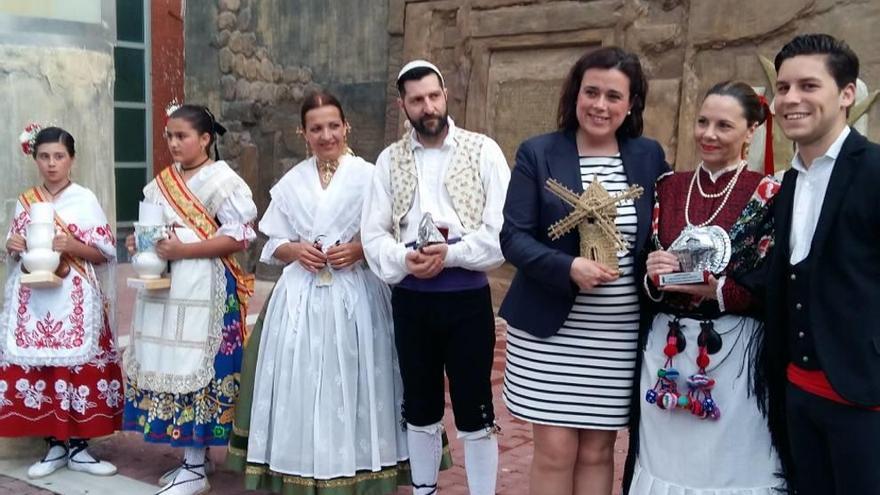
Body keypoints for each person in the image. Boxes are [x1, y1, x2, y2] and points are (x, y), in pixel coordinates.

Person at [499, 47, 668, 495]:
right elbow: (513, 238)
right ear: (575, 94)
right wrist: (567, 265)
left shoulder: (649, 157)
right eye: (591, 91)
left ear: (631, 104)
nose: (600, 104)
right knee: (555, 452)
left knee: (598, 452)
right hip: (550, 332)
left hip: (619, 336)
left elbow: (661, 231)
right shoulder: (539, 153)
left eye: (614, 96)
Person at [226, 91, 410, 493]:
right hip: (301, 297)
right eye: (316, 128)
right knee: (303, 377)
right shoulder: (292, 182)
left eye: (333, 126)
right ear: (303, 133)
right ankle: (300, 465)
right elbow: (272, 243)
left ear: (347, 127)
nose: (326, 135)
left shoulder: (371, 176)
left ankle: (362, 468)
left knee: (357, 373)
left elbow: (395, 230)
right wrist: (296, 249)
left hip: (358, 292)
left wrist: (360, 248)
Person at [624, 81, 784, 494]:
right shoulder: (669, 187)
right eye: (702, 122)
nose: (709, 134)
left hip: (732, 350)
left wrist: (717, 290)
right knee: (665, 454)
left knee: (727, 457)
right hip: (668, 350)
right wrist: (653, 274)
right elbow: (645, 263)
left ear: (751, 130)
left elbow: (775, 281)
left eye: (724, 126)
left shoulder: (769, 194)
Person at [361, 60, 510, 495]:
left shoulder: (483, 150)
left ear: (445, 95)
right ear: (402, 105)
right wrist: (403, 261)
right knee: (420, 403)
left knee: (475, 404)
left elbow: (500, 232)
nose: (428, 107)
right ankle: (424, 489)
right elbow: (373, 233)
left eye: (433, 96)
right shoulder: (389, 160)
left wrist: (452, 255)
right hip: (412, 301)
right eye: (417, 100)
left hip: (466, 298)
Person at [764, 33, 880, 495]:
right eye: (784, 87)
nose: (791, 99)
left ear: (846, 94)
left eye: (809, 86)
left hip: (864, 399)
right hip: (797, 394)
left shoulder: (874, 171)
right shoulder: (789, 181)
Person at [123, 104, 256, 495]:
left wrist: (184, 250)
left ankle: (196, 467)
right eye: (169, 136)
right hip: (166, 288)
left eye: (182, 136)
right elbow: (155, 227)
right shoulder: (162, 182)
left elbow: (240, 237)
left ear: (205, 138)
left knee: (199, 367)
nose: (174, 143)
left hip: (207, 288)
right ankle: (191, 461)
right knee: (169, 362)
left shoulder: (222, 181)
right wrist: (141, 241)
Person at [0, 125, 121, 478]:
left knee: (77, 368)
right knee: (43, 368)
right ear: (35, 158)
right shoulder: (26, 202)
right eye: (44, 157)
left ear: (71, 159)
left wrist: (74, 247)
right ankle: (54, 444)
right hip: (35, 300)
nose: (51, 164)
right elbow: (15, 251)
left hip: (76, 299)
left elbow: (103, 254)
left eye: (59, 157)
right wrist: (13, 246)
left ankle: (80, 447)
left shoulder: (84, 199)